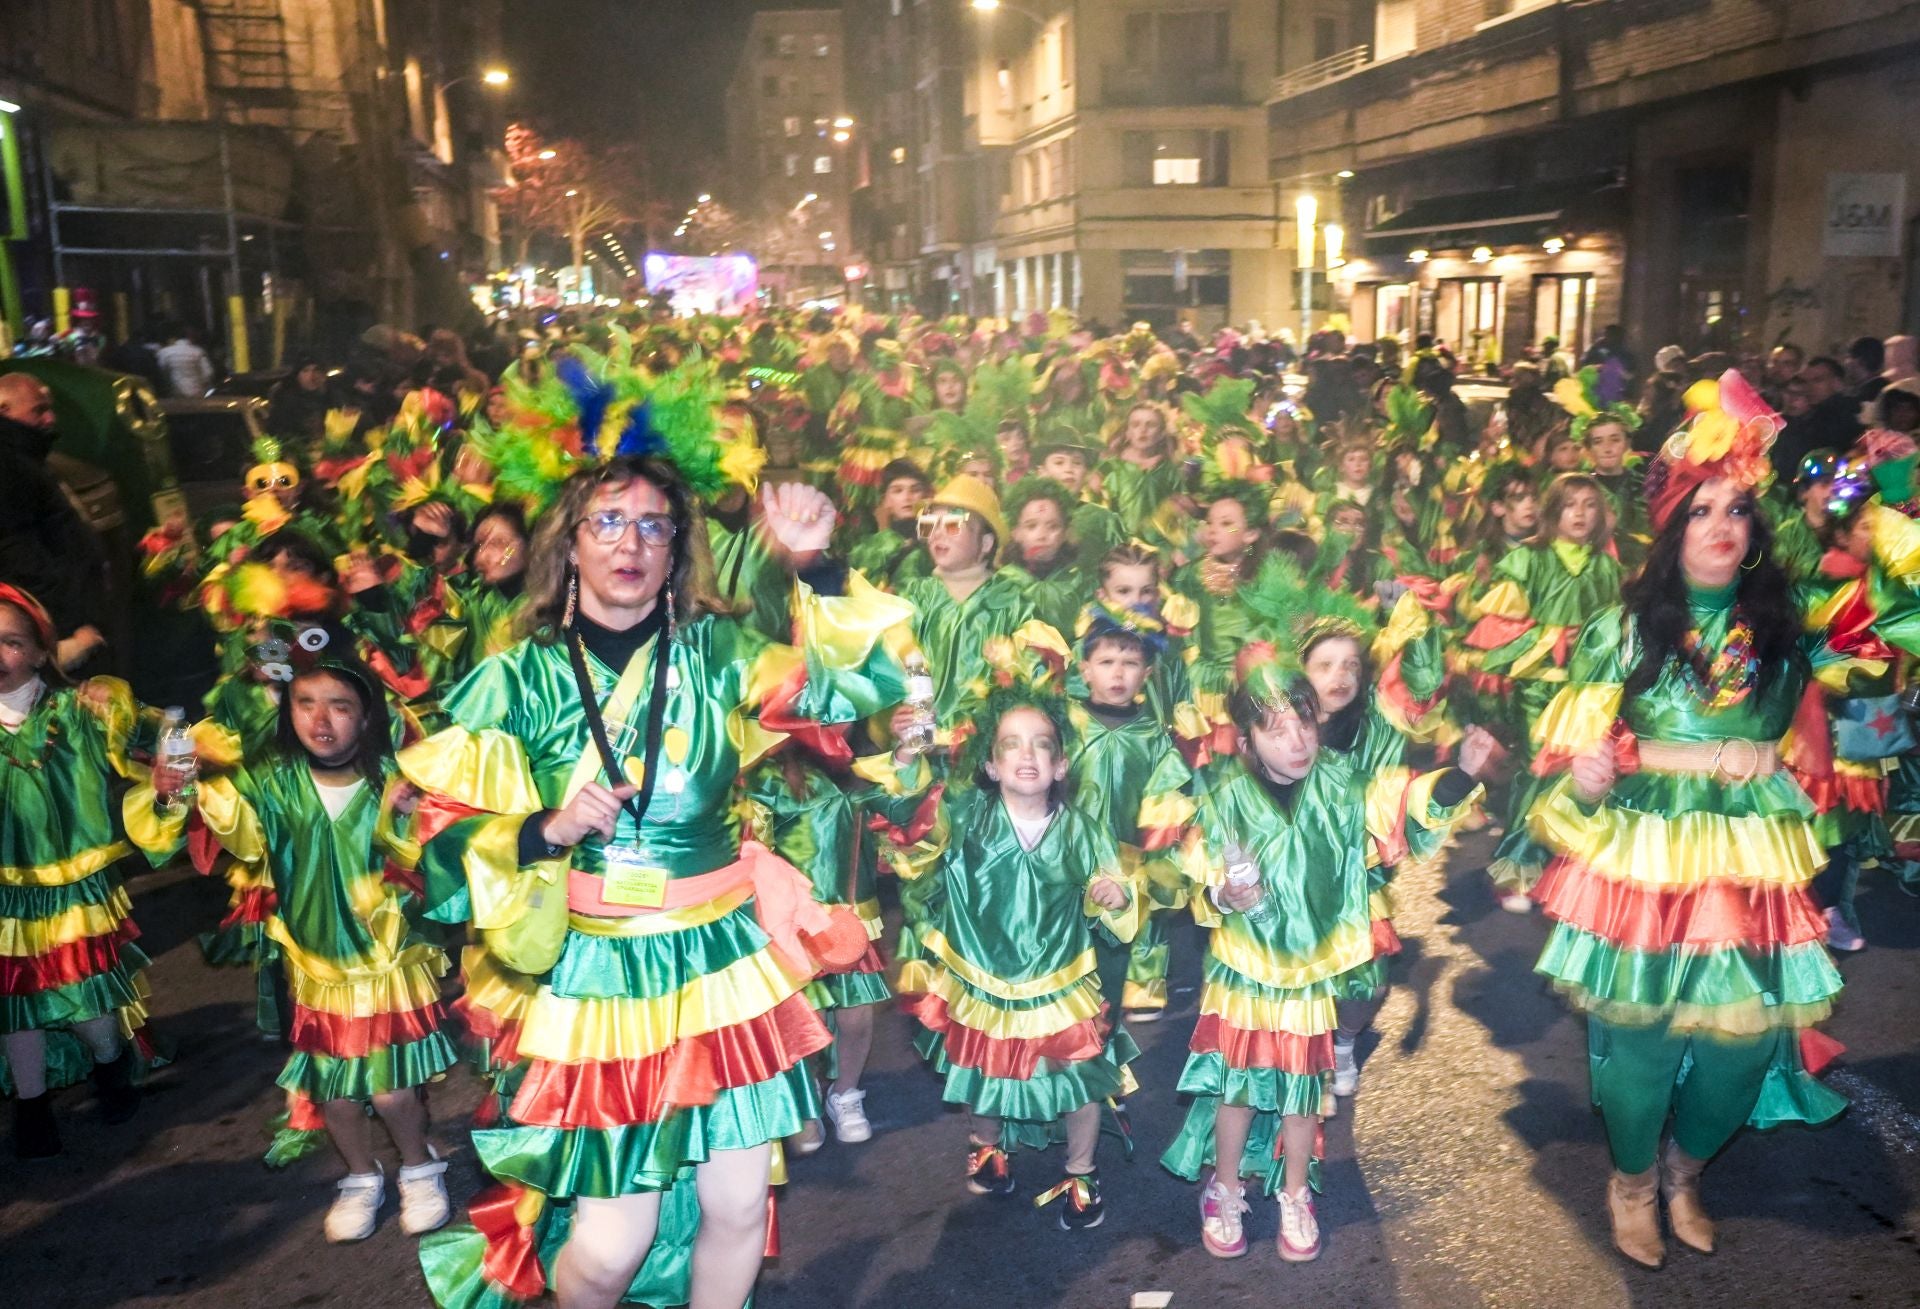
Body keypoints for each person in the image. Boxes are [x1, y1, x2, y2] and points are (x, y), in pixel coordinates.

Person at [401, 407, 913, 1309]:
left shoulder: (720, 654)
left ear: (677, 548)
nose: (629, 542)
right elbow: (420, 829)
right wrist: (539, 832)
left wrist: (818, 566)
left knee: (737, 1202)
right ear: (570, 543)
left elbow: (863, 687)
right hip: (601, 969)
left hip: (720, 959)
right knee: (607, 1247)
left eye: (652, 523)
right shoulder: (519, 676)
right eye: (607, 520)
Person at [1509, 368, 1920, 1269]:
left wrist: (1892, 499)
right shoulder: (1624, 627)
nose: (1722, 526)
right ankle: (1629, 1182)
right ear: (1671, 526)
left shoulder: (1788, 628)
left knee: (1737, 1051)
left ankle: (1686, 1170)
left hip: (1747, 864)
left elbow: (1904, 622)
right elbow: (1558, 775)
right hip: (1645, 854)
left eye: (1737, 509)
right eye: (1702, 509)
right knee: (1640, 1042)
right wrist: (1581, 776)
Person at [1162, 649, 1495, 1263]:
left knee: (1302, 1092)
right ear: (1247, 736)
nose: (1297, 740)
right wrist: (1223, 890)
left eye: (1305, 722)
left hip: (1311, 974)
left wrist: (1460, 775)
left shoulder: (1342, 784)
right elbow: (1196, 867)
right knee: (1235, 1089)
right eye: (1276, 727)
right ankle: (1226, 1187)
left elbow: (1402, 803)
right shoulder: (1225, 797)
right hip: (1246, 971)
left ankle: (1295, 1192)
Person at [137, 651, 459, 1242]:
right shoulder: (269, 782)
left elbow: (442, 864)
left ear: (366, 719)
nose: (322, 719)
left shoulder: (398, 778)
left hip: (388, 959)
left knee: (391, 1089)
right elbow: (223, 826)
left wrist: (419, 824)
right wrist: (174, 792)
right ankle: (361, 1176)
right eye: (306, 703)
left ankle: (419, 1165)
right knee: (333, 1088)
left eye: (341, 706)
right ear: (289, 713)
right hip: (316, 963)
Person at [890, 637, 1141, 1230]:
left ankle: (1081, 1170)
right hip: (983, 976)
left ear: (1059, 765)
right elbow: (910, 822)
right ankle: (988, 1144)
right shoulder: (968, 816)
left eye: (1041, 745)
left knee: (1080, 1078)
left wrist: (1114, 895)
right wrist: (905, 755)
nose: (1026, 755)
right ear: (990, 764)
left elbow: (1119, 894)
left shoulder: (1081, 828)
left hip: (1060, 978)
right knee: (984, 1068)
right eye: (1010, 745)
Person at [0, 585, 152, 1158]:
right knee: (15, 1005)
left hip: (74, 889)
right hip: (4, 895)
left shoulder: (82, 710)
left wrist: (175, 786)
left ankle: (111, 1066)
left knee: (84, 1000)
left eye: (11, 643)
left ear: (42, 652)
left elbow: (176, 735)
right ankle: (31, 1108)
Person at [0, 373, 109, 671]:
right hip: (55, 628)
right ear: (4, 411)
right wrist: (67, 619)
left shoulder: (25, 458)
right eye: (38, 410)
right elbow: (17, 550)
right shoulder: (9, 465)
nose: (50, 419)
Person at [1774, 357, 1862, 478]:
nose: (1810, 387)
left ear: (1837, 383)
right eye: (1806, 382)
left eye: (1817, 380)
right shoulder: (1808, 417)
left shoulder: (1841, 417)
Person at [268, 355, 337, 441]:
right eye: (305, 371)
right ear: (297, 376)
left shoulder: (331, 396)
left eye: (317, 370)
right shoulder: (286, 402)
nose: (312, 376)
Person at [156, 323, 216, 398]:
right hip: (197, 393)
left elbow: (161, 372)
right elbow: (208, 373)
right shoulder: (198, 351)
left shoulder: (164, 352)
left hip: (175, 393)